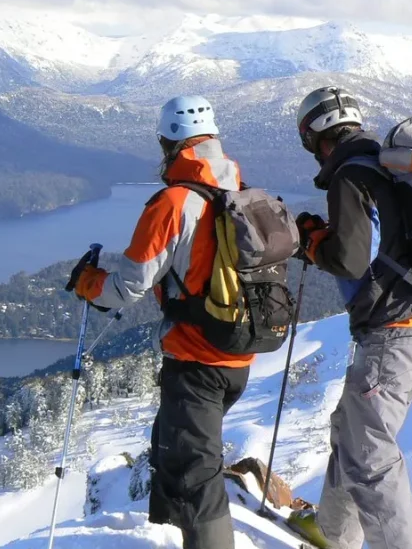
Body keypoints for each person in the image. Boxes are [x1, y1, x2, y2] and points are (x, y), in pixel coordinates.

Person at [69, 95, 249, 549]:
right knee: (172, 459)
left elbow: (128, 286)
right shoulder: (238, 189)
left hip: (196, 359)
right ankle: (165, 539)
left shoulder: (173, 202)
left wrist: (88, 283)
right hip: (237, 352)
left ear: (168, 142)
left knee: (196, 476)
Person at [287, 86, 412, 549]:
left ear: (313, 137)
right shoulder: (384, 165)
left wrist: (311, 242)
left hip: (391, 338)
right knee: (349, 430)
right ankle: (332, 532)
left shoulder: (350, 176)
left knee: (371, 460)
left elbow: (352, 260)